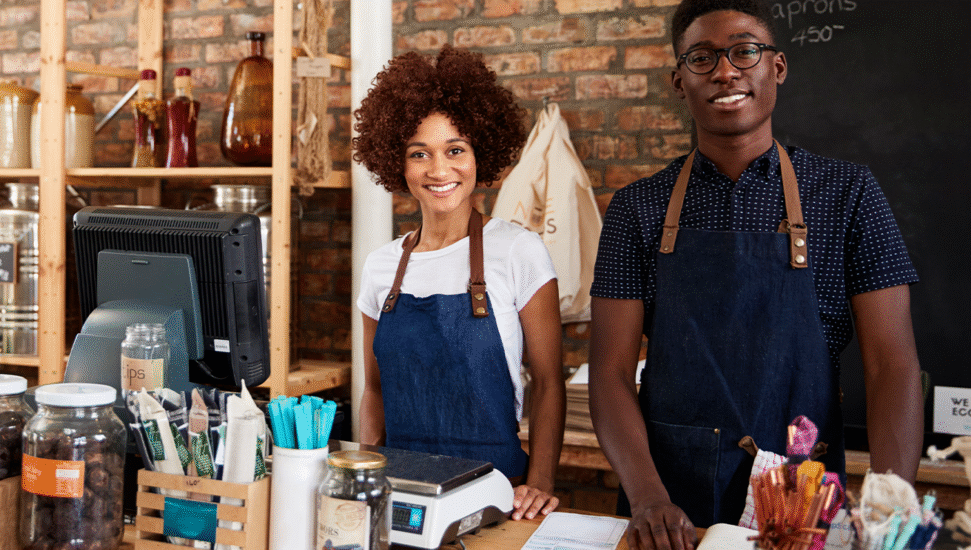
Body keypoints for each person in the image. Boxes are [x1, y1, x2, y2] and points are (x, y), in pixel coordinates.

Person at [587, 0, 924, 548]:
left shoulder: (848, 194)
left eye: (744, 51)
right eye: (702, 58)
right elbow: (609, 373)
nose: (725, 71)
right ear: (678, 81)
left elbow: (893, 367)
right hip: (670, 508)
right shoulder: (637, 209)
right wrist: (648, 497)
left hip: (800, 494)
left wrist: (890, 509)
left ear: (777, 66)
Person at [354, 45, 566, 521]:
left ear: (478, 154)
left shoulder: (519, 252)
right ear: (397, 163)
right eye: (419, 154)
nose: (439, 170)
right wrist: (364, 478)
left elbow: (549, 382)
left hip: (497, 495)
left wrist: (541, 482)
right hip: (401, 495)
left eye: (455, 150)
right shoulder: (381, 268)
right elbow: (375, 391)